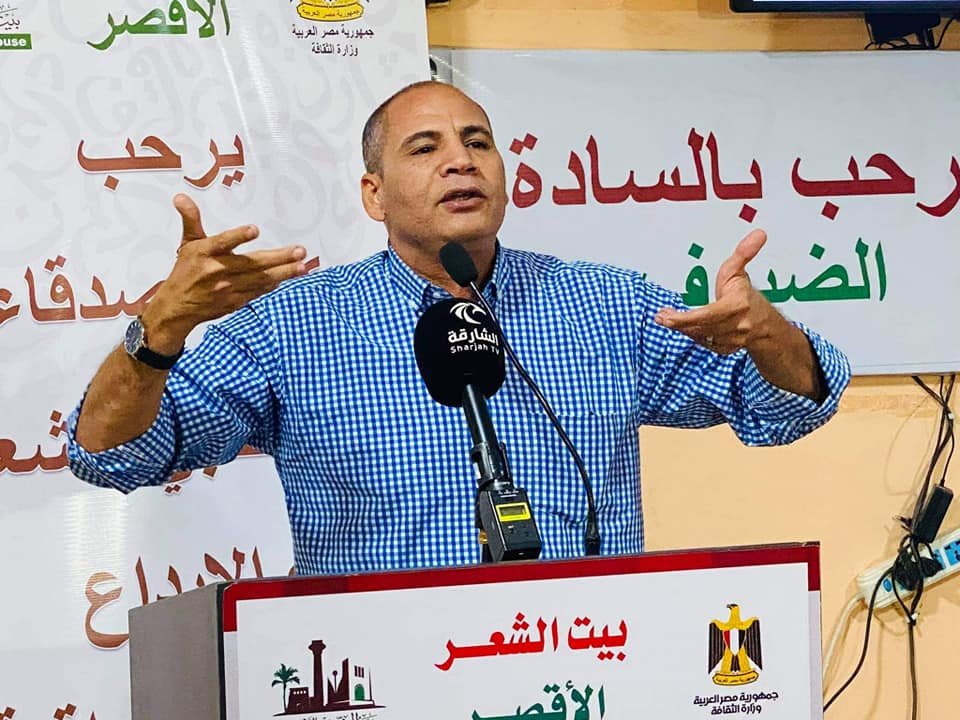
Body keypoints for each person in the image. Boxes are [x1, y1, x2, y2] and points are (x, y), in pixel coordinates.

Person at [68, 81, 851, 576]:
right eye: (426, 147)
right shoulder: (292, 324)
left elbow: (787, 405)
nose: (462, 161)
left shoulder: (602, 305)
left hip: (589, 664)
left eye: (478, 142)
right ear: (374, 195)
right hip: (377, 679)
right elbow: (113, 455)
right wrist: (158, 331)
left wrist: (768, 333)